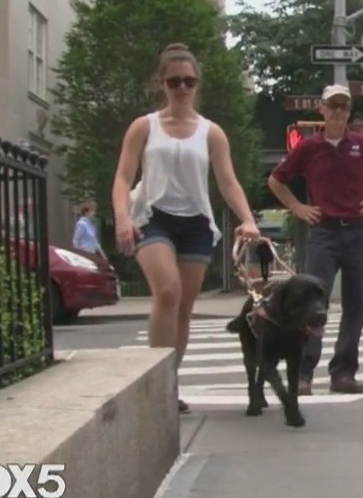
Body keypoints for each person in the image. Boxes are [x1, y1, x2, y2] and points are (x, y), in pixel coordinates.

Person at [112, 43, 261, 413]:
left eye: (189, 81)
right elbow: (123, 177)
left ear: (197, 85)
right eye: (174, 81)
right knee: (167, 292)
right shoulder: (144, 126)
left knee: (183, 307)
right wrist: (123, 218)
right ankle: (157, 385)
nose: (182, 88)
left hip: (196, 222)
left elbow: (227, 181)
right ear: (161, 83)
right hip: (153, 216)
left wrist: (247, 219)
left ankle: (170, 384)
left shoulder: (211, 132)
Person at [267, 84, 363, 396]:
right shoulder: (309, 148)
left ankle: (343, 373)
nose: (338, 112)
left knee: (356, 306)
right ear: (322, 109)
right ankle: (303, 373)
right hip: (324, 234)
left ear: (349, 111)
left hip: (358, 233)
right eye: (332, 106)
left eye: (343, 106)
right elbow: (276, 179)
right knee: (312, 304)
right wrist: (297, 207)